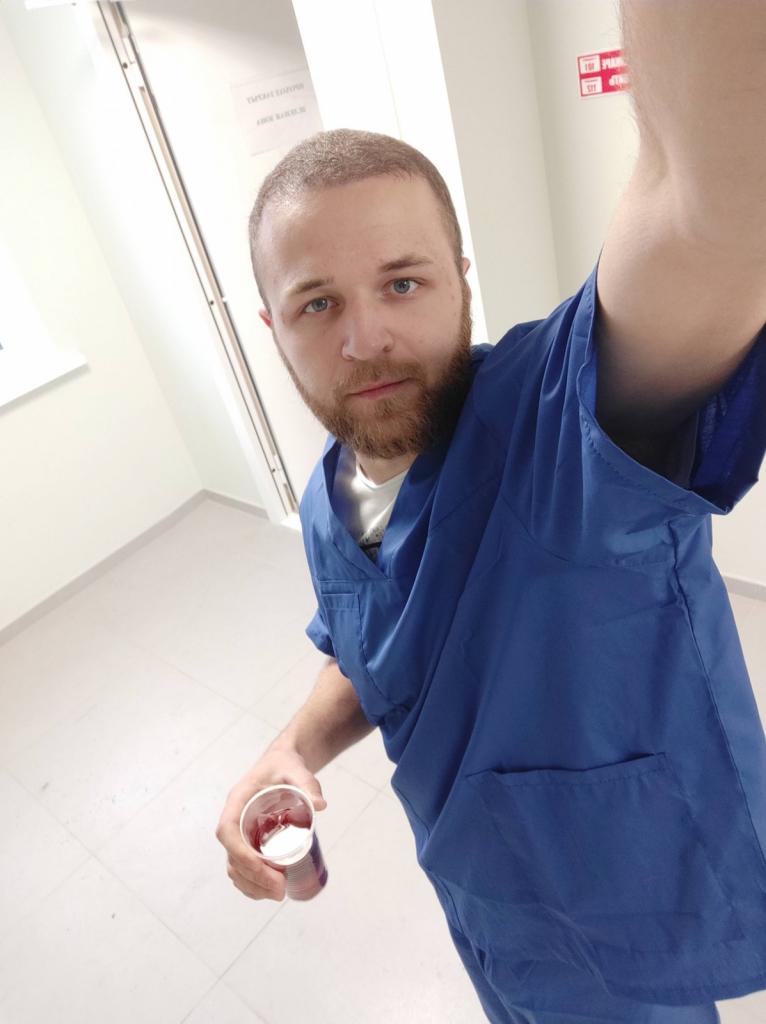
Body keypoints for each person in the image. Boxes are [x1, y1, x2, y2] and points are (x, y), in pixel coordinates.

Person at [215, 118, 766, 1024]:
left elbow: (713, 197)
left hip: (622, 929)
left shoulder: (564, 423)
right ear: (272, 328)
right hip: (482, 907)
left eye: (402, 282)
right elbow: (370, 650)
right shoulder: (326, 500)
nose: (365, 338)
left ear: (460, 277)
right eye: (317, 304)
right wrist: (293, 749)